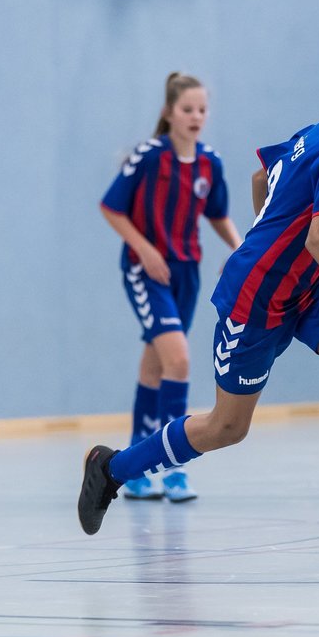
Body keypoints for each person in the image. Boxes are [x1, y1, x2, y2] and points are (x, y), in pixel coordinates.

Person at [81, 49, 319, 567]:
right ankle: (110, 468)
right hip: (255, 300)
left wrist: (278, 247)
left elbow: (259, 180)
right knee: (227, 428)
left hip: (306, 291)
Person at [98, 73, 241, 502]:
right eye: (187, 109)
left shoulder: (209, 162)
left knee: (155, 362)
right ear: (168, 113)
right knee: (177, 359)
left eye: (202, 109)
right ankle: (174, 467)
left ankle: (136, 467)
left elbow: (217, 213)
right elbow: (111, 207)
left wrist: (239, 248)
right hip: (147, 271)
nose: (196, 116)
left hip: (186, 272)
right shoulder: (147, 156)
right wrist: (145, 250)